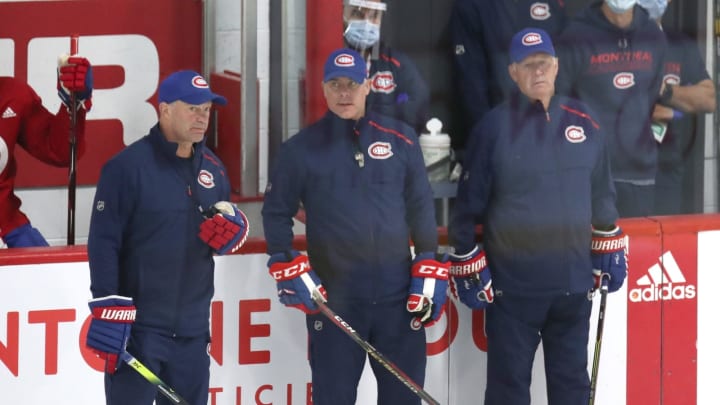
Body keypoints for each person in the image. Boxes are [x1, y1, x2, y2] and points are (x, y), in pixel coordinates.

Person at [448, 28, 627, 404]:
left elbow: (602, 193)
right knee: (508, 392)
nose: (538, 71)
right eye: (528, 65)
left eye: (544, 62)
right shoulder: (493, 129)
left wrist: (607, 241)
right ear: (513, 72)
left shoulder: (586, 121)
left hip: (573, 289)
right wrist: (466, 258)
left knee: (573, 389)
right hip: (514, 292)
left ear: (557, 66)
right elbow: (466, 209)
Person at [262, 47, 447, 405]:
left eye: (352, 84)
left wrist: (429, 260)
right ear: (324, 89)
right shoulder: (299, 150)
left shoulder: (402, 139)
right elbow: (276, 212)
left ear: (367, 87)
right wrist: (284, 260)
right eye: (336, 84)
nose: (344, 93)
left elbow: (421, 206)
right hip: (334, 305)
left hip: (399, 301)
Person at [84, 70, 249, 405]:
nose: (201, 117)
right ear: (165, 110)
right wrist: (108, 309)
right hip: (140, 333)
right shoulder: (126, 168)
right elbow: (103, 243)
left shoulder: (214, 171)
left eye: (206, 109)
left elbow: (217, 235)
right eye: (192, 108)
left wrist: (236, 230)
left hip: (192, 331)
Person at [555, 0, 667, 217]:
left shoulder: (653, 35)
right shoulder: (575, 36)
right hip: (589, 174)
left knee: (637, 250)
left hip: (638, 173)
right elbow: (559, 103)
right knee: (594, 248)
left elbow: (651, 94)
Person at [448, 0, 568, 150]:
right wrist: (490, 139)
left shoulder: (555, 4)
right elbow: (472, 84)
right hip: (501, 132)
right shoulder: (473, 5)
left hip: (550, 132)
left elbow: (564, 71)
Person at [0, 54, 92, 247]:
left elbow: (59, 151)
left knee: (49, 274)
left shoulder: (11, 94)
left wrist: (73, 103)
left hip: (8, 226)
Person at [637, 0, 716, 215]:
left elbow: (708, 99)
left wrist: (666, 92)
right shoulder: (614, 44)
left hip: (668, 169)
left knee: (666, 245)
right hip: (623, 173)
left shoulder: (680, 45)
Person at [342, 0, 430, 134]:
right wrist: (392, 109)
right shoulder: (334, 61)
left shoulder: (396, 63)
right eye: (357, 14)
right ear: (343, 15)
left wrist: (366, 113)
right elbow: (337, 117)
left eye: (373, 16)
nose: (366, 23)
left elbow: (417, 109)